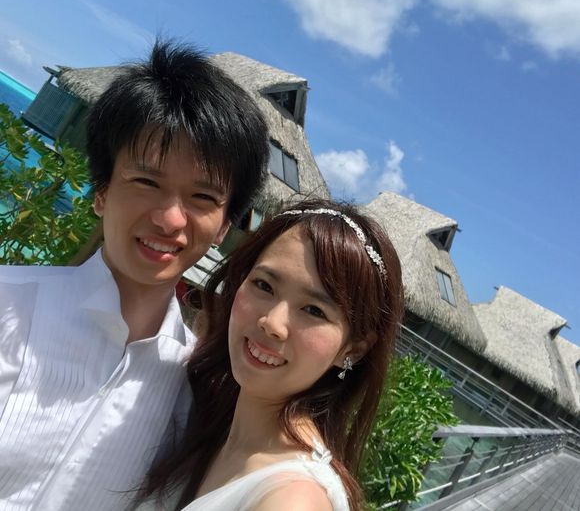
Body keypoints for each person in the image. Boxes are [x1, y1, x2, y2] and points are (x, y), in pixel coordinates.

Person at [0, 40, 269, 510]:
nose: (170, 219)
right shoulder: (9, 304)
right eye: (146, 181)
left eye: (203, 198)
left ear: (224, 227)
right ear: (101, 191)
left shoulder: (193, 391)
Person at [138, 199, 404, 511]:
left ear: (353, 349)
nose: (272, 323)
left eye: (313, 310)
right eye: (264, 285)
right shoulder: (207, 422)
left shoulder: (292, 500)